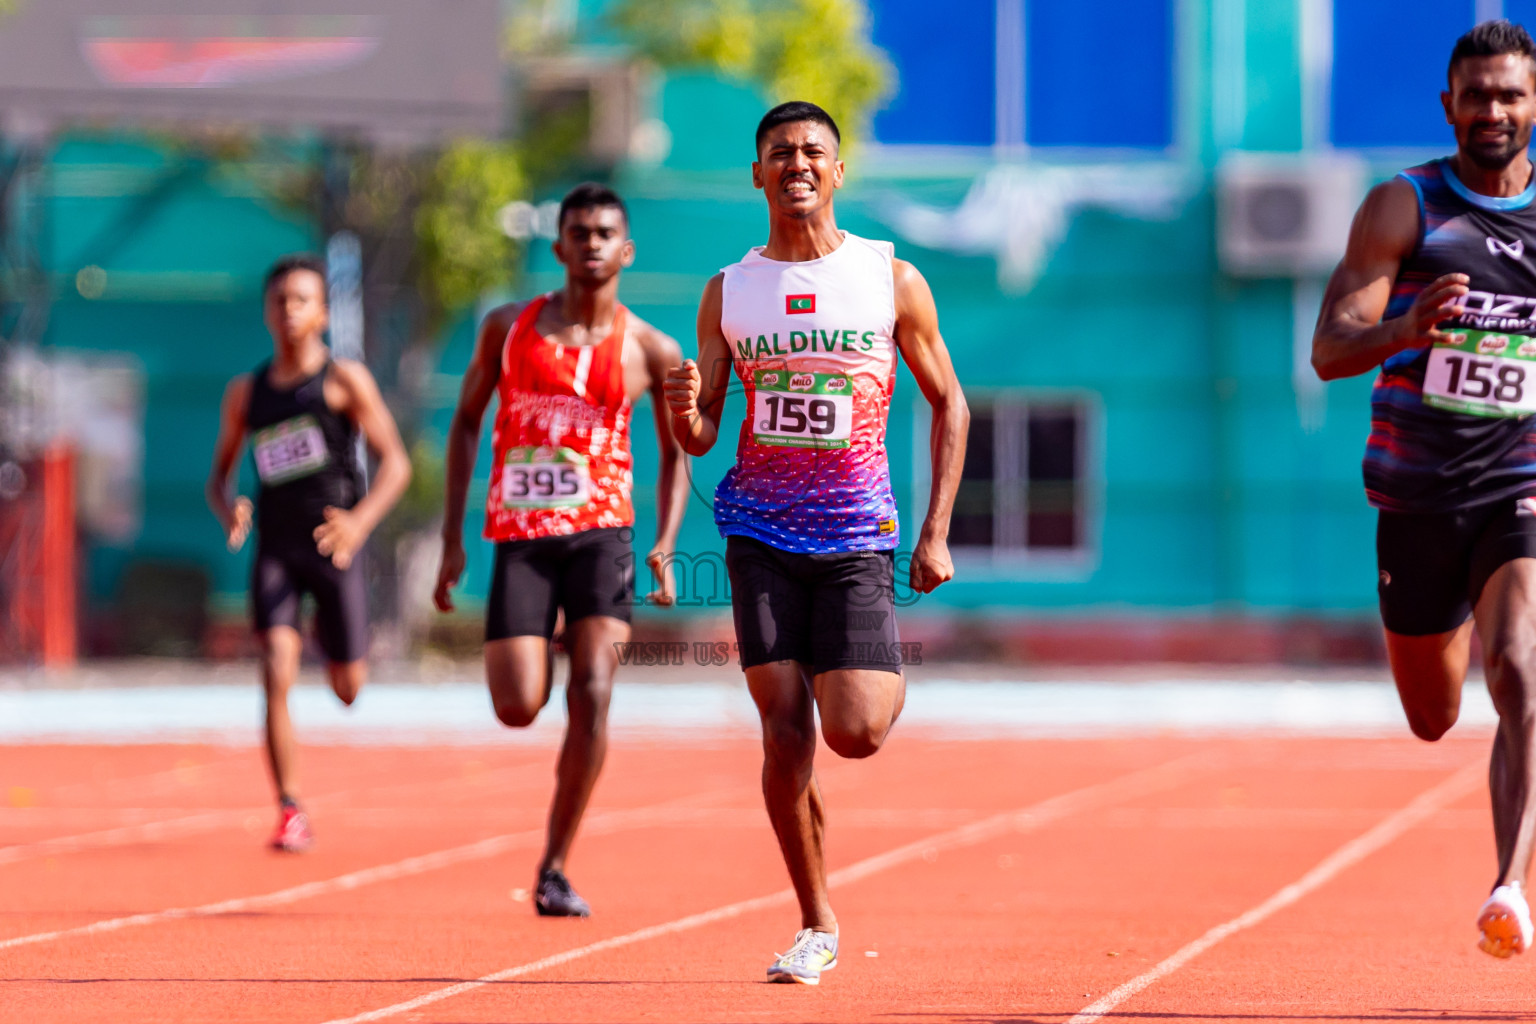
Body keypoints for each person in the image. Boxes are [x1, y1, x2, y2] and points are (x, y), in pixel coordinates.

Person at [664, 101, 968, 983]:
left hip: (856, 540)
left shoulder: (889, 277)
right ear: (756, 174)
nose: (797, 163)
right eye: (780, 153)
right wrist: (686, 413)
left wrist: (937, 532)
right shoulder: (730, 290)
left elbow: (951, 402)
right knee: (785, 730)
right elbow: (703, 433)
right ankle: (816, 921)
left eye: (813, 152)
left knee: (857, 731)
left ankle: (851, 705)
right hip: (758, 528)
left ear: (838, 172)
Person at [1313, 19, 1536, 958]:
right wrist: (1407, 329)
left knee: (1524, 668)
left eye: (1510, 94)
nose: (1493, 109)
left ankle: (1509, 886)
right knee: (1433, 715)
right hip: (1416, 495)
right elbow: (1329, 350)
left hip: (1518, 482)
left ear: (1535, 105)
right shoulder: (1404, 207)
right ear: (1449, 106)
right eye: (1476, 94)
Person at [433, 182, 688, 917]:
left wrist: (666, 543)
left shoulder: (650, 348)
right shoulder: (508, 328)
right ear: (559, 247)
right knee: (517, 705)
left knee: (595, 694)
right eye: (579, 231)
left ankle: (555, 865)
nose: (593, 242)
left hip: (602, 539)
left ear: (627, 248)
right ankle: (540, 648)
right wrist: (452, 537)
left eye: (606, 231)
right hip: (522, 538)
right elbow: (464, 424)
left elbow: (678, 455)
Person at [206, 254, 412, 852]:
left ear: (322, 311)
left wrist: (359, 523)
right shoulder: (246, 393)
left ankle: (330, 631)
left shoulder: (345, 381)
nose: (290, 311)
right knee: (274, 667)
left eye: (302, 300)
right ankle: (290, 807)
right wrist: (231, 508)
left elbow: (395, 461)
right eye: (280, 301)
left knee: (348, 688)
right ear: (266, 312)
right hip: (276, 547)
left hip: (334, 546)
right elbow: (218, 478)